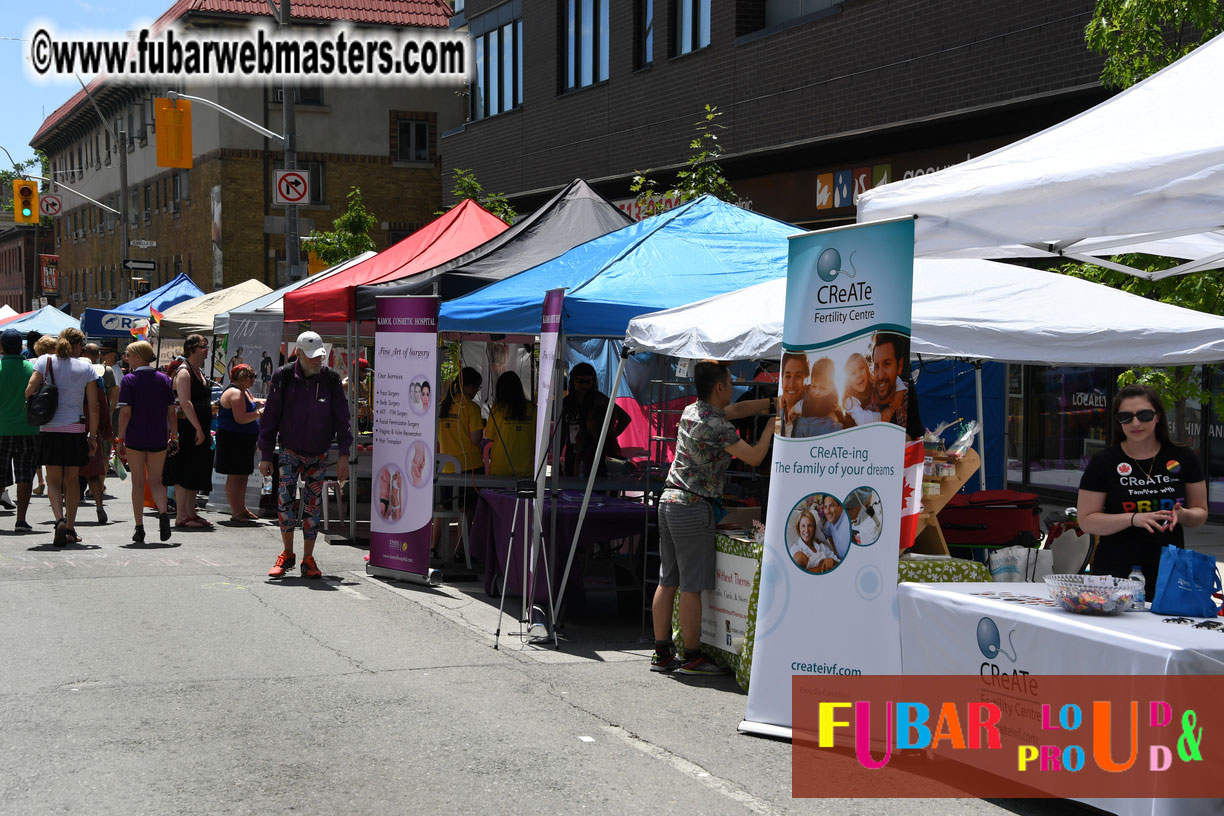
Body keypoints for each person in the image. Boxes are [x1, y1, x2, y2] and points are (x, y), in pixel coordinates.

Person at [652, 361, 775, 676]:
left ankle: (662, 652)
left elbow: (737, 410)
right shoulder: (717, 426)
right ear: (719, 387)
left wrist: (773, 403)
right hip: (692, 507)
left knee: (668, 581)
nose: (733, 389)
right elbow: (756, 456)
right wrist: (772, 427)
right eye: (730, 383)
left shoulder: (694, 412)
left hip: (669, 500)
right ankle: (692, 656)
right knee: (692, 586)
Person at [1077, 384, 1207, 600]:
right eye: (1126, 417)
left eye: (1144, 415)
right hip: (1114, 572)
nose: (1135, 423)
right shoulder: (1104, 462)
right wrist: (1134, 518)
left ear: (1158, 417)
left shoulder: (1183, 456)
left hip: (1169, 571)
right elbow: (1087, 521)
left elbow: (1200, 513)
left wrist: (1182, 514)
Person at [259, 331, 352, 579]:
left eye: (319, 356)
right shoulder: (284, 376)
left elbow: (343, 419)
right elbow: (270, 417)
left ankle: (308, 558)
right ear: (298, 353)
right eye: (310, 356)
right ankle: (287, 553)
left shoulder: (331, 379)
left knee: (313, 506)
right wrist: (266, 454)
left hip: (319, 453)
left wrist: (344, 454)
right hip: (289, 450)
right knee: (285, 502)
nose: (316, 361)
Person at [26, 327, 99, 547]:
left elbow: (29, 389)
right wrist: (92, 435)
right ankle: (70, 527)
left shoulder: (44, 361)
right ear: (79, 345)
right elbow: (93, 406)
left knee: (54, 480)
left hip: (49, 429)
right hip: (75, 429)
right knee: (72, 480)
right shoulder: (86, 366)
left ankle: (58, 519)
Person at [115, 341, 175, 542]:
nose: (126, 358)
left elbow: (125, 412)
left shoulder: (129, 380)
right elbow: (171, 411)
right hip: (158, 435)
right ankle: (164, 515)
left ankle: (139, 526)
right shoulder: (164, 379)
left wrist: (119, 438)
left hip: (135, 436)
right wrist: (174, 434)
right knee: (157, 481)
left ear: (138, 357)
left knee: (138, 482)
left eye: (128, 354)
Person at [163, 334, 214, 530]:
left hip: (198, 427)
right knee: (184, 469)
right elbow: (185, 402)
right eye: (203, 346)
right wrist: (199, 428)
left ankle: (191, 512)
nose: (207, 349)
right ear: (192, 348)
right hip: (187, 428)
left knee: (195, 469)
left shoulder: (198, 371)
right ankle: (182, 515)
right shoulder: (184, 372)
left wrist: (204, 428)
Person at [436, 367, 484, 561]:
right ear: (470, 386)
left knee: (442, 508)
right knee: (467, 510)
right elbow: (475, 439)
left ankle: (433, 546)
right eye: (477, 388)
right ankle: (461, 550)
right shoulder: (471, 408)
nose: (476, 392)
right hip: (469, 466)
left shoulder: (442, 404)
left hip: (445, 468)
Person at [560, 362, 631, 477]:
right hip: (572, 451)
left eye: (589, 381)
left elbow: (625, 418)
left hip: (595, 451)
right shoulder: (566, 402)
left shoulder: (599, 399)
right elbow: (562, 432)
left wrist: (608, 437)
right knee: (572, 489)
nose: (585, 385)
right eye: (581, 381)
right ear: (573, 381)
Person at [0, 329, 39, 531]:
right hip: (28, 429)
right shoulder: (31, 369)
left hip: (1, 429)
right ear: (21, 347)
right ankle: (21, 520)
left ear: (1, 346)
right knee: (25, 475)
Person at [215, 364, 263, 523]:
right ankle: (236, 511)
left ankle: (241, 508)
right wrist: (259, 414)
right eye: (250, 376)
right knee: (235, 475)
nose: (253, 380)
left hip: (243, 439)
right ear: (241, 378)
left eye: (253, 376)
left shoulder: (244, 391)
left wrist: (263, 402)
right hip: (234, 439)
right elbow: (240, 418)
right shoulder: (235, 393)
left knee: (243, 475)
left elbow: (253, 401)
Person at [78, 349, 115, 524]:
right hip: (92, 436)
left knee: (69, 475)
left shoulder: (72, 389)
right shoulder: (99, 392)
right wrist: (107, 435)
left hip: (71, 431)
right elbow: (105, 416)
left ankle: (68, 510)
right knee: (92, 474)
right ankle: (99, 505)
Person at [484, 371, 536, 479]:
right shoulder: (532, 408)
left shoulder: (497, 409)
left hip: (500, 467)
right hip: (526, 468)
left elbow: (490, 435)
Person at [28, 335, 58, 497]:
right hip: (58, 411)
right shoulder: (63, 363)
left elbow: (31, 386)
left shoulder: (35, 363)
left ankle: (41, 481)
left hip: (40, 410)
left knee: (38, 449)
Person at [794, 357, 849, 437]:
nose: (816, 392)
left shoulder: (831, 399)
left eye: (822, 388)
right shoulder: (807, 389)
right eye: (814, 386)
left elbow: (816, 410)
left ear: (832, 387)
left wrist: (798, 407)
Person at [869, 332, 909, 428]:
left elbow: (918, 434)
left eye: (887, 364)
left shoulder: (907, 396)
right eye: (877, 367)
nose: (881, 375)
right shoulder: (869, 406)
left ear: (899, 365)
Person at [789, 507, 838, 573]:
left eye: (810, 526)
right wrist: (821, 568)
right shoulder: (795, 551)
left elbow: (839, 562)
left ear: (814, 528)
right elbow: (797, 574)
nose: (806, 530)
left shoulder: (821, 546)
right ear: (798, 528)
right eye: (803, 526)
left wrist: (832, 561)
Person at [842, 352, 880, 426]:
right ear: (848, 380)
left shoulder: (872, 383)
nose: (859, 375)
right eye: (853, 373)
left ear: (867, 369)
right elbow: (862, 420)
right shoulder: (849, 399)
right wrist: (883, 415)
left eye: (862, 368)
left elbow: (890, 380)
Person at [778, 352, 808, 437]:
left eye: (798, 376)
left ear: (805, 379)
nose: (791, 384)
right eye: (787, 376)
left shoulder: (812, 414)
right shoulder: (779, 407)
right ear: (782, 379)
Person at [820, 494, 853, 561]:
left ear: (840, 506)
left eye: (831, 505)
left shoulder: (848, 525)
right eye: (825, 507)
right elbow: (826, 533)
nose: (828, 511)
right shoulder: (830, 522)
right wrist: (835, 551)